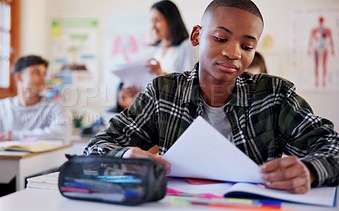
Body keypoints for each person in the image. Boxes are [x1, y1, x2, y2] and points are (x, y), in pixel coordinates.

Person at [85, 0, 339, 195]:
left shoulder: (274, 95)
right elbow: (98, 146)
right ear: (197, 36)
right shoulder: (164, 93)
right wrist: (125, 155)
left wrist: (310, 170)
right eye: (220, 38)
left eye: (247, 46)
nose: (232, 52)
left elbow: (332, 146)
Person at [0, 55, 71, 209]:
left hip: (39, 175)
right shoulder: (3, 107)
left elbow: (62, 132)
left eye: (44, 74)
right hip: (4, 174)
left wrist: (16, 135)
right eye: (36, 72)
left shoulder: (53, 106)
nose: (42, 78)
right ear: (19, 76)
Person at [145, 0, 198, 75]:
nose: (152, 26)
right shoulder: (156, 51)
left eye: (157, 21)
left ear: (171, 21)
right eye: (152, 21)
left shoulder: (187, 47)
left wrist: (161, 74)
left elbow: (190, 82)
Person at [308, 16, 335, 87]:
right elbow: (311, 40)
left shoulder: (327, 30)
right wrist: (309, 49)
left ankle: (323, 81)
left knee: (324, 65)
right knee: (316, 66)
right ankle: (316, 80)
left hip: (324, 48)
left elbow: (331, 40)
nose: (320, 22)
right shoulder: (314, 30)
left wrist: (332, 49)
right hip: (316, 48)